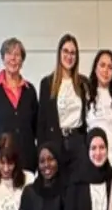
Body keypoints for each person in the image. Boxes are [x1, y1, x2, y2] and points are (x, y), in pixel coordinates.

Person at [0, 37, 38, 176]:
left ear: (22, 61)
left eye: (17, 55)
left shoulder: (30, 91)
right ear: (3, 58)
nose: (13, 58)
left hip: (25, 162)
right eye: (9, 54)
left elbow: (35, 127)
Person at [38, 33, 90, 183]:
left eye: (73, 53)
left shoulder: (83, 83)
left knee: (76, 188)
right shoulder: (47, 84)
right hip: (55, 143)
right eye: (65, 51)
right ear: (59, 54)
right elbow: (41, 123)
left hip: (77, 143)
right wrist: (41, 154)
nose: (69, 56)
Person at [86, 49, 112, 173]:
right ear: (95, 68)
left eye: (110, 67)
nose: (106, 70)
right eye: (102, 65)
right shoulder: (87, 96)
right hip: (96, 163)